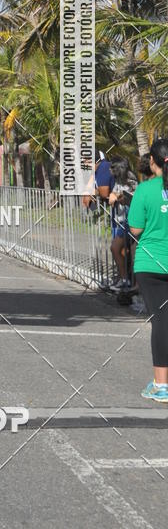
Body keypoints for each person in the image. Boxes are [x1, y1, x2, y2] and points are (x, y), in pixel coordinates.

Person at [128, 138, 168, 403]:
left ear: (152, 161)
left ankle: (161, 384)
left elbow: (135, 229)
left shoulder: (144, 190)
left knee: (161, 321)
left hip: (151, 264)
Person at [108, 156, 138, 291]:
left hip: (131, 220)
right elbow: (114, 193)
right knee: (119, 249)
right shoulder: (118, 179)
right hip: (122, 220)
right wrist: (114, 195)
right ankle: (124, 278)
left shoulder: (131, 180)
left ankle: (129, 281)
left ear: (119, 168)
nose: (110, 170)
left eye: (112, 167)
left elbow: (132, 197)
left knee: (118, 248)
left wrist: (119, 197)